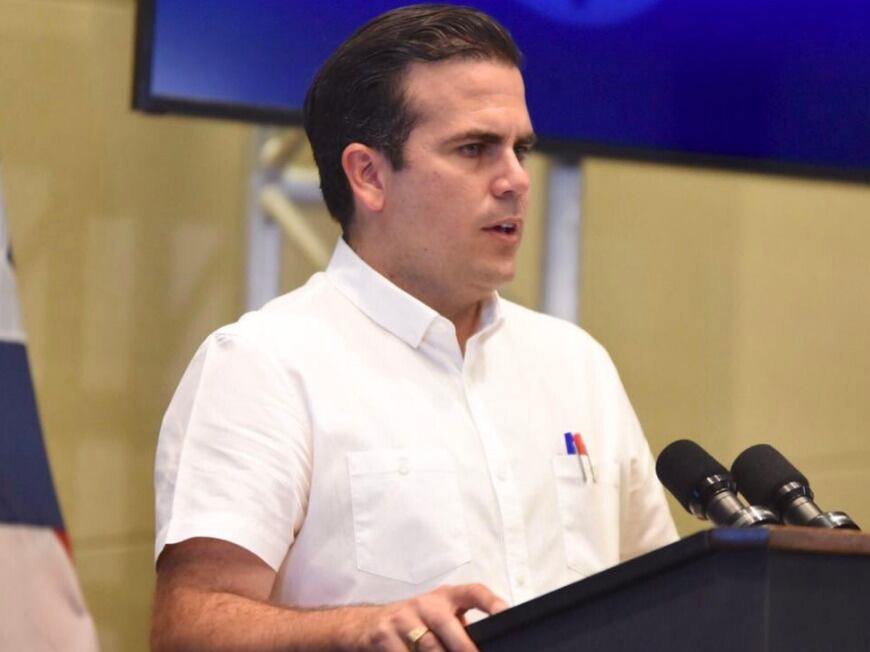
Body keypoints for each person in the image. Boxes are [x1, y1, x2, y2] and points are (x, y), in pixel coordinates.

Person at [151, 5, 677, 651]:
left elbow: (668, 604)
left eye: (520, 149)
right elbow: (188, 626)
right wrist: (359, 628)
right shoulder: (264, 363)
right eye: (474, 149)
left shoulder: (576, 363)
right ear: (369, 175)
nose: (516, 179)